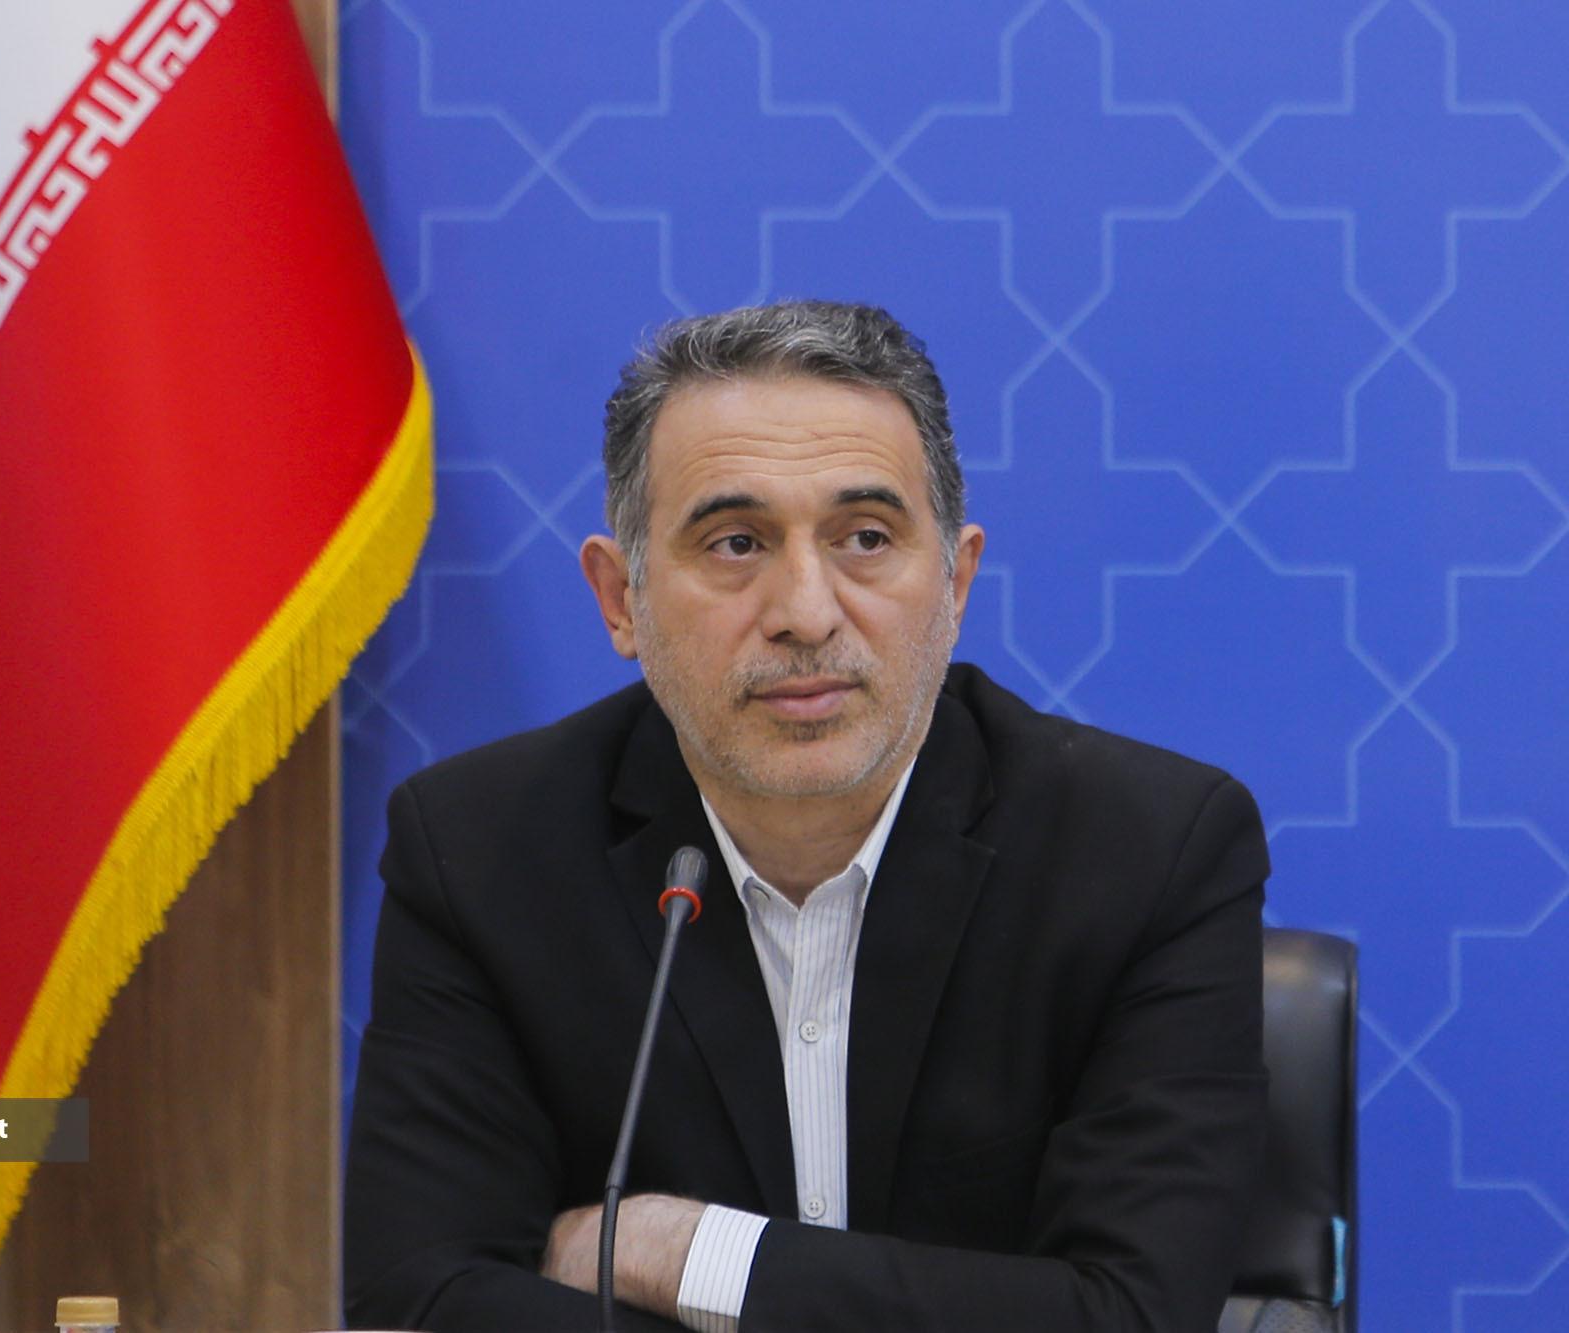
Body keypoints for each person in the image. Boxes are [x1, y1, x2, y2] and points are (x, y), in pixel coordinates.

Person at [344, 301, 1268, 1331]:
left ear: (955, 583)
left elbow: (1132, 1316)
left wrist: (693, 1253)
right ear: (620, 599)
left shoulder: (1148, 852)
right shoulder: (480, 854)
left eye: (864, 538)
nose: (806, 613)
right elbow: (419, 1300)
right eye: (735, 543)